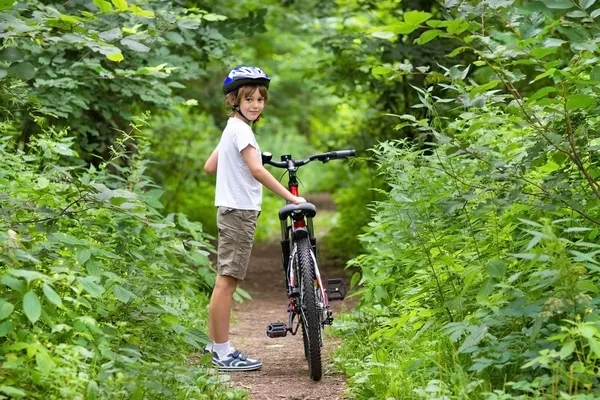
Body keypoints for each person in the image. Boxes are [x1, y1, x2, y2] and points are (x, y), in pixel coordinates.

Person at [203, 66, 306, 371]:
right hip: (239, 211)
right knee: (227, 282)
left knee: (225, 280)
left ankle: (215, 344)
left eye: (260, 99)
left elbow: (210, 167)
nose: (256, 104)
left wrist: (232, 150)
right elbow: (257, 170)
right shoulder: (241, 131)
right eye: (249, 99)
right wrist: (291, 197)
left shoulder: (232, 129)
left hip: (231, 209)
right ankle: (222, 351)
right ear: (234, 100)